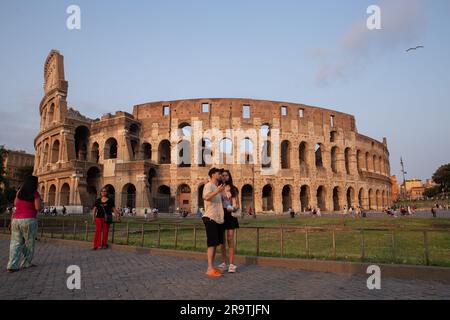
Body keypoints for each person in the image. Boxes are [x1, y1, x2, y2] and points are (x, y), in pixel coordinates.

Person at [7, 176, 42, 273]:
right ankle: (26, 262)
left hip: (16, 220)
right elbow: (38, 207)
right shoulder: (35, 194)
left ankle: (12, 265)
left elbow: (15, 205)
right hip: (29, 220)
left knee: (15, 243)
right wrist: (41, 204)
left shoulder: (18, 193)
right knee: (29, 243)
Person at [202, 167, 226, 277]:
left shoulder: (217, 187)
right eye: (218, 173)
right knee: (211, 244)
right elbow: (206, 197)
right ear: (212, 174)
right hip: (210, 217)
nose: (220, 174)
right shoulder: (209, 185)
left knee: (215, 243)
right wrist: (217, 191)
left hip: (218, 219)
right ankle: (209, 268)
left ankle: (211, 267)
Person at [218, 169, 240, 273]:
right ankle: (223, 263)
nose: (224, 177)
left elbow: (237, 204)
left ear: (229, 176)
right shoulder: (218, 188)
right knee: (222, 241)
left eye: (226, 175)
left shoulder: (233, 189)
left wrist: (232, 205)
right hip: (221, 214)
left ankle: (231, 264)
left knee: (230, 239)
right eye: (222, 175)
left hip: (230, 214)